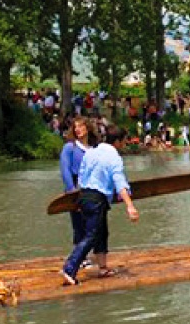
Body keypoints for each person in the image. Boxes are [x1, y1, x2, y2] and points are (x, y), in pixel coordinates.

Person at [59, 125, 139, 285]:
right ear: (117, 142)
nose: (124, 145)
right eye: (123, 141)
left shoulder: (91, 152)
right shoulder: (113, 157)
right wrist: (130, 206)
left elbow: (81, 175)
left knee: (101, 232)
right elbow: (119, 182)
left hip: (85, 195)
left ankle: (102, 267)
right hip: (96, 198)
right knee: (91, 235)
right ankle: (69, 268)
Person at [59, 117, 94, 266]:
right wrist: (72, 191)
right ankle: (80, 258)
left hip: (92, 188)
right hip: (76, 187)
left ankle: (87, 254)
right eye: (75, 127)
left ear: (88, 128)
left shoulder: (94, 147)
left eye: (81, 126)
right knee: (79, 224)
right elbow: (65, 170)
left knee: (92, 224)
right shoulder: (70, 147)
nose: (78, 129)